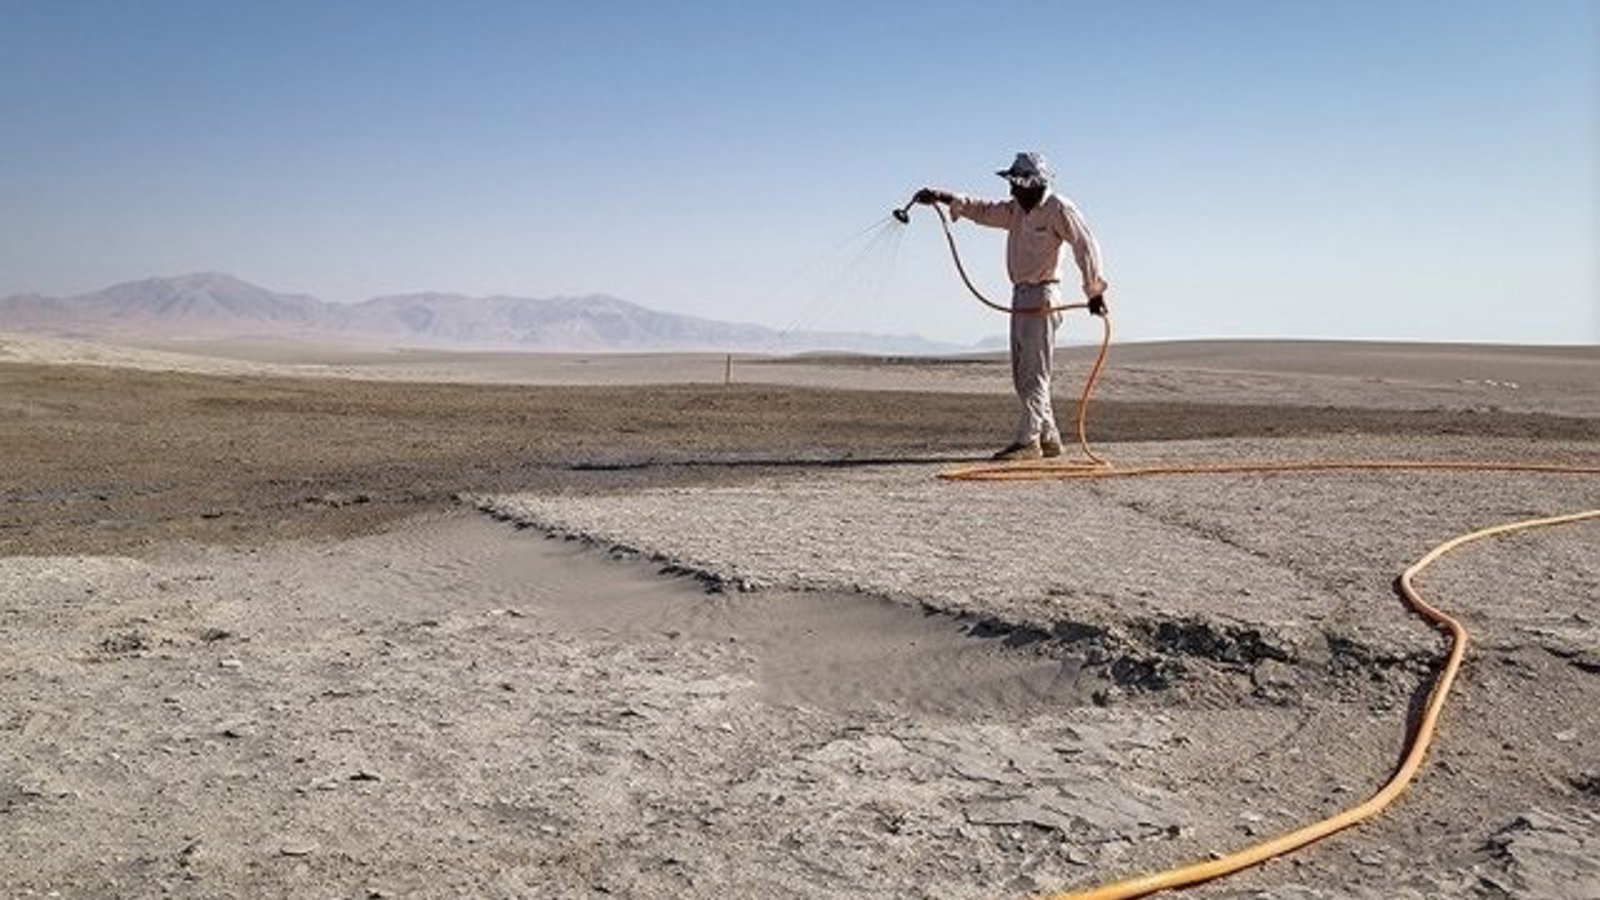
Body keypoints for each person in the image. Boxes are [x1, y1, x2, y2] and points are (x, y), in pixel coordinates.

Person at [914, 152, 1108, 461]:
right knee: (1024, 373)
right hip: (1021, 297)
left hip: (1043, 297)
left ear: (1031, 183)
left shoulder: (1059, 208)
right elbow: (982, 209)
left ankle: (1028, 440)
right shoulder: (1016, 210)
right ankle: (1049, 436)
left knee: (1034, 373)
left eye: (1016, 184)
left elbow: (1085, 245)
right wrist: (941, 196)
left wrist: (1093, 290)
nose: (1012, 190)